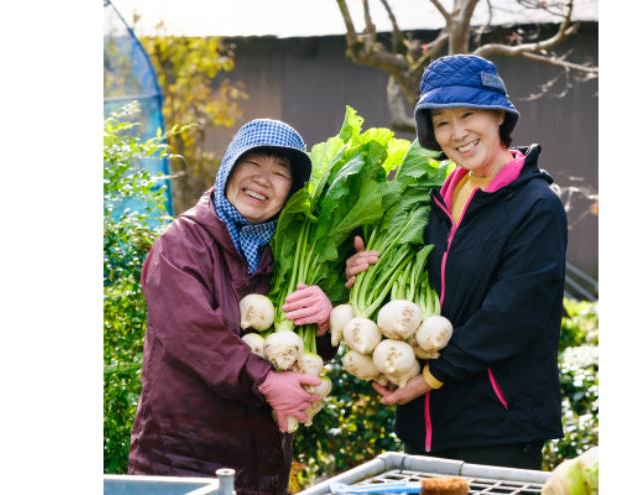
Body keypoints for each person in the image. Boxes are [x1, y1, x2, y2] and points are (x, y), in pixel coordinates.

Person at [346, 54, 568, 470]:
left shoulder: (535, 205)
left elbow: (510, 317)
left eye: (468, 115)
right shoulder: (433, 200)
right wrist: (365, 271)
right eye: (442, 122)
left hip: (498, 430)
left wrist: (428, 379)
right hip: (424, 427)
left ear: (499, 115)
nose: (457, 133)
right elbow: (421, 296)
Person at [128, 119, 335, 495]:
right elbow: (192, 334)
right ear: (228, 167)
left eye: (280, 173)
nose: (263, 179)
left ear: (291, 191)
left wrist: (323, 324)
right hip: (182, 464)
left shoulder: (286, 251)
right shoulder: (181, 243)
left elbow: (292, 351)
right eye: (252, 163)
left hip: (261, 466)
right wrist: (265, 380)